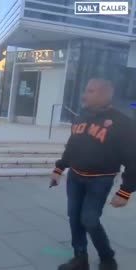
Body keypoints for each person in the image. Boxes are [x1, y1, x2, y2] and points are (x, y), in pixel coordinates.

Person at [51, 79, 136, 270]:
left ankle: (107, 257)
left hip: (100, 180)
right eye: (86, 90)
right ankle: (80, 258)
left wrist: (125, 191)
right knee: (74, 218)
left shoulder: (123, 123)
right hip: (75, 178)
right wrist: (59, 168)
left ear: (105, 95)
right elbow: (72, 145)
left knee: (89, 219)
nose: (84, 95)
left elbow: (133, 159)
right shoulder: (81, 116)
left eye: (91, 91)